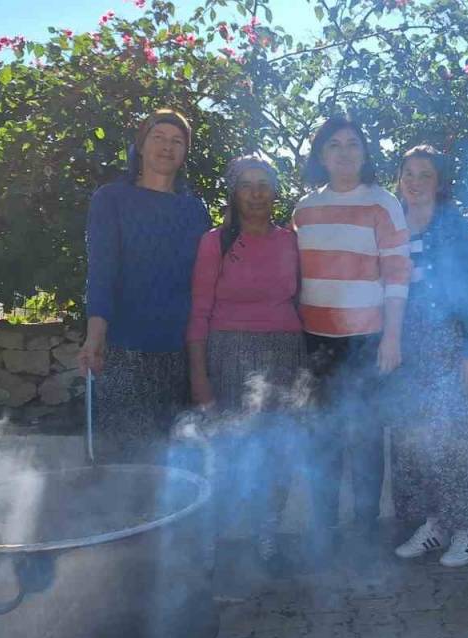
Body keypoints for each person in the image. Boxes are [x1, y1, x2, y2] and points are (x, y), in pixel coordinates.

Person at [293, 115, 411, 567]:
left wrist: (392, 338)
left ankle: (364, 532)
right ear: (322, 155)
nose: (345, 152)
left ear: (365, 153)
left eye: (353, 144)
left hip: (367, 341)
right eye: (335, 145)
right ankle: (324, 532)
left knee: (363, 438)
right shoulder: (303, 209)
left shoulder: (383, 203)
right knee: (322, 439)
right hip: (316, 341)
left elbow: (397, 274)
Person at [186, 156, 308, 573]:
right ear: (233, 193)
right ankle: (211, 548)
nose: (256, 194)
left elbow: (302, 300)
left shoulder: (292, 240)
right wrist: (199, 375)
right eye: (246, 185)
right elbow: (199, 311)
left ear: (275, 190)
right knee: (228, 453)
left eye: (264, 184)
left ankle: (267, 542)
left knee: (277, 452)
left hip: (285, 356)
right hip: (228, 355)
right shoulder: (214, 242)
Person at [79, 109, 211, 464]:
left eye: (177, 141)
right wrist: (95, 336)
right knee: (125, 465)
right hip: (124, 350)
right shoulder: (111, 199)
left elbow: (202, 284)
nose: (167, 147)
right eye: (159, 138)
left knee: (174, 463)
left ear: (185, 153)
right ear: (141, 144)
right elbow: (102, 271)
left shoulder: (195, 211)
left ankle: (171, 523)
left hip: (178, 352)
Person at [386, 145, 468, 567]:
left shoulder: (454, 226)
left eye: (424, 174)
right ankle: (436, 522)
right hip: (404, 347)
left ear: (439, 182)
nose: (414, 181)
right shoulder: (391, 222)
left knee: (454, 437)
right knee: (414, 438)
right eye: (408, 173)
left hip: (448, 343)